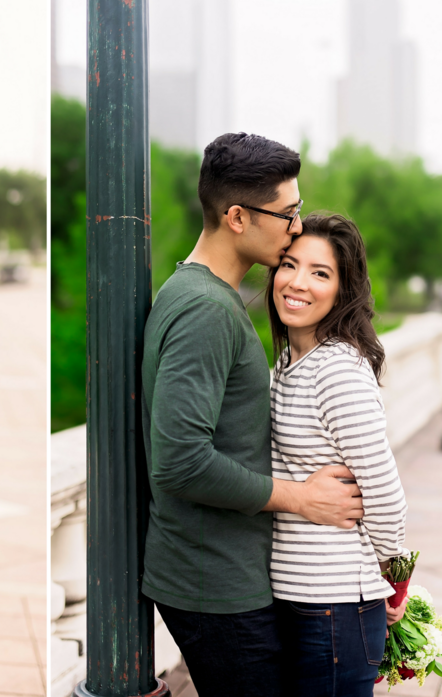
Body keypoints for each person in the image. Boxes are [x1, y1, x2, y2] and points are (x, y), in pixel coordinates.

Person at [140, 132, 366, 697]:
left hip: (220, 575)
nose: (297, 226)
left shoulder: (202, 295)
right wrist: (300, 497)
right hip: (213, 583)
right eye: (288, 214)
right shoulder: (206, 311)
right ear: (237, 217)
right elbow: (181, 461)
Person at [267, 213, 408, 696]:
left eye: (320, 273)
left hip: (336, 608)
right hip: (301, 599)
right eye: (289, 264)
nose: (297, 282)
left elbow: (385, 495)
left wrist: (396, 582)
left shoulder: (339, 370)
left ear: (344, 289)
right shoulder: (289, 362)